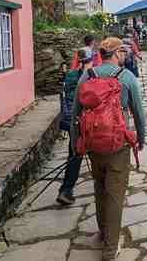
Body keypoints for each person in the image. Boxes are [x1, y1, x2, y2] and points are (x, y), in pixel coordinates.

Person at [72, 37, 146, 260]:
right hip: (118, 144)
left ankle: (103, 232)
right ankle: (111, 248)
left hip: (94, 144)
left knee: (99, 187)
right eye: (122, 51)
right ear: (115, 54)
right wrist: (141, 138)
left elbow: (76, 111)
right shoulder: (127, 77)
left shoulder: (88, 75)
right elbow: (139, 112)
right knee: (115, 194)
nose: (124, 54)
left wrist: (78, 142)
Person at [56, 47, 95, 205]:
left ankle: (66, 190)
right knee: (95, 151)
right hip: (84, 121)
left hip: (70, 121)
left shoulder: (69, 76)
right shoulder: (89, 77)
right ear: (90, 61)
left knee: (74, 155)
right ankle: (103, 186)